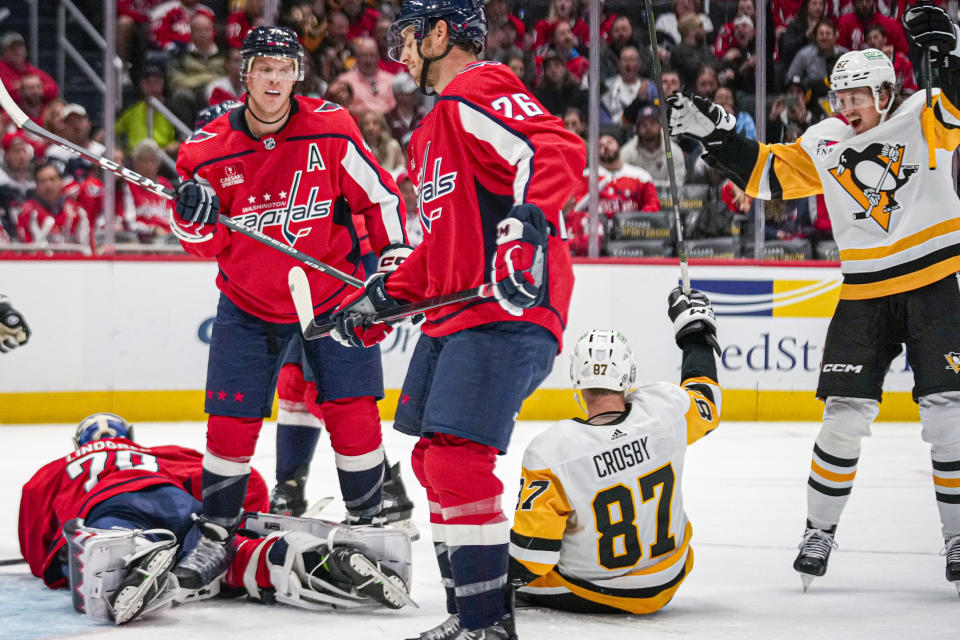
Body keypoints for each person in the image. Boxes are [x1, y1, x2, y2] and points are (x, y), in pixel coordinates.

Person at [666, 4, 960, 593]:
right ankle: (819, 532)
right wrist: (715, 136)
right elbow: (767, 175)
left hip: (934, 284)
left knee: (948, 417)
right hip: (865, 292)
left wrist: (949, 57)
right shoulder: (825, 141)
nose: (846, 108)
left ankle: (957, 539)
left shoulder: (924, 116)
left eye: (858, 97)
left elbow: (955, 113)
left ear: (885, 92)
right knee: (843, 419)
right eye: (840, 97)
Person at [334, 1, 585, 637]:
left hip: (507, 307)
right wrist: (383, 296)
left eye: (411, 39)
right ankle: (467, 615)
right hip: (458, 313)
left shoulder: (479, 88)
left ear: (443, 34)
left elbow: (555, 150)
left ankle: (486, 624)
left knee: (457, 462)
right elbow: (445, 249)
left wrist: (523, 233)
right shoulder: (430, 131)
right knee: (430, 463)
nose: (403, 53)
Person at [169, 25, 409, 594]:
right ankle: (217, 531)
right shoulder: (206, 151)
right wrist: (192, 215)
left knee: (354, 412)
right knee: (230, 419)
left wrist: (394, 256)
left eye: (284, 69)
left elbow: (378, 197)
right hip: (248, 305)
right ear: (245, 74)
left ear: (295, 74)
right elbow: (201, 242)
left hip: (332, 298)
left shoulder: (330, 128)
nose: (274, 79)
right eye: (264, 68)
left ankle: (367, 522)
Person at [18, 413, 413, 625]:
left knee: (100, 541)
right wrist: (233, 525)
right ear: (132, 436)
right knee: (225, 556)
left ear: (78, 445)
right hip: (173, 500)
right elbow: (244, 482)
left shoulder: (56, 469)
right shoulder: (161, 453)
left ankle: (135, 555)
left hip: (109, 509)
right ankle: (310, 561)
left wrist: (51, 562)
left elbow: (34, 524)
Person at [510, 300, 721, 613]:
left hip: (594, 590)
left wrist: (485, 581)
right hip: (668, 576)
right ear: (628, 376)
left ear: (576, 380)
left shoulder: (552, 450)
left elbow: (534, 557)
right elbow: (707, 400)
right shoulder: (666, 410)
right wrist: (695, 333)